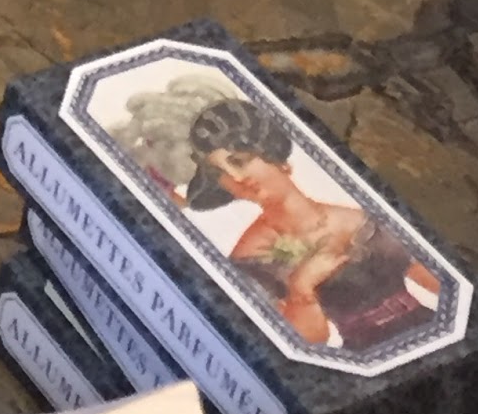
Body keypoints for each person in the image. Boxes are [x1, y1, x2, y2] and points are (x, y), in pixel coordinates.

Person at [186, 97, 442, 354]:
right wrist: (301, 289)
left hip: (430, 331)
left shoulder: (360, 217)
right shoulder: (251, 258)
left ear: (270, 153)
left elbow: (436, 279)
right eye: (220, 174)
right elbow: (301, 344)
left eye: (240, 160)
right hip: (366, 355)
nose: (236, 177)